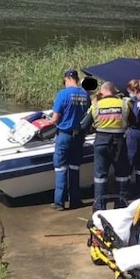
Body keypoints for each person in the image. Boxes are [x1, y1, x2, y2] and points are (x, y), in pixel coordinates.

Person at [81, 81, 133, 210]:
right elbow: (134, 121)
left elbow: (84, 126)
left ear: (102, 92)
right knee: (122, 175)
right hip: (120, 142)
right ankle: (121, 205)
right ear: (114, 92)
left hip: (101, 141)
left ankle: (99, 207)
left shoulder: (96, 106)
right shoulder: (124, 104)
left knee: (100, 177)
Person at [50, 69, 90, 211]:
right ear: (77, 79)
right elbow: (88, 117)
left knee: (60, 168)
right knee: (75, 168)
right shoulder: (85, 95)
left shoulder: (63, 94)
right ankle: (75, 200)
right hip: (79, 136)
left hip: (64, 135)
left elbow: (55, 119)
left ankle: (59, 202)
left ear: (67, 78)